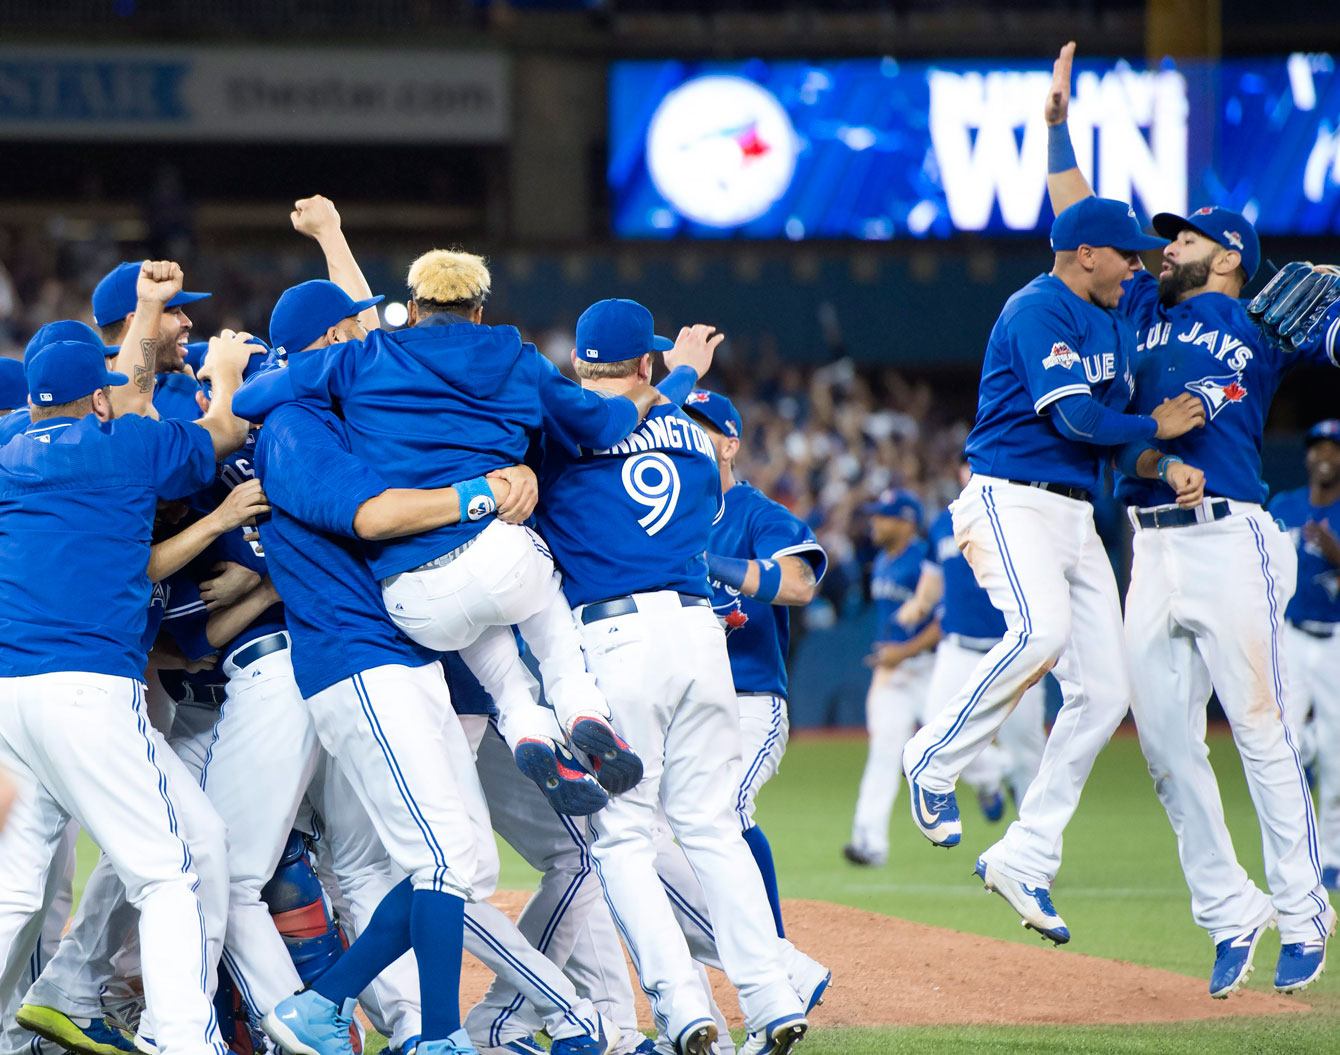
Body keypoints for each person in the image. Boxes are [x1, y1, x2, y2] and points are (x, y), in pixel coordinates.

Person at [1043, 40, 1336, 995]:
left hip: (1232, 537)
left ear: (1230, 256)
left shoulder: (1268, 322)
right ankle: (1230, 909)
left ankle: (1304, 912)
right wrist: (1056, 133)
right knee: (1166, 745)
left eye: (1185, 239)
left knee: (1258, 727)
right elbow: (1080, 226)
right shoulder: (1138, 305)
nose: (1165, 246)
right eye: (1166, 238)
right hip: (1150, 545)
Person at [897, 188, 1207, 945]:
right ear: (1086, 255)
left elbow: (1113, 439)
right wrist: (1155, 424)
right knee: (1040, 633)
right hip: (1010, 498)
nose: (1138, 266)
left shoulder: (1112, 317)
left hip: (1075, 514)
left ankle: (1026, 853)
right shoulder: (1037, 308)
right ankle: (931, 757)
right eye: (1127, 254)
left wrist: (1158, 460)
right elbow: (1073, 416)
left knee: (1104, 692)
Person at [533, 299, 809, 1055]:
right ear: (648, 363)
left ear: (579, 362)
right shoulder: (690, 429)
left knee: (623, 836)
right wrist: (680, 377)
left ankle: (682, 1008)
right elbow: (647, 413)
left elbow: (591, 432)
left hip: (616, 636)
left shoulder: (560, 428)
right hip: (698, 632)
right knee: (712, 826)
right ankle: (772, 997)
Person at [0, 333, 253, 1055]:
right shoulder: (126, 445)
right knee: (168, 873)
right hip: (86, 689)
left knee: (14, 890)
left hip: (9, 693)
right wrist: (227, 372)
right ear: (100, 399)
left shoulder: (7, 447)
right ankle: (184, 1041)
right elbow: (224, 430)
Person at [683, 389, 828, 946]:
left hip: (749, 700)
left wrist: (710, 564)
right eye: (681, 424)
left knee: (726, 810)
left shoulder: (756, 513)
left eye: (701, 428)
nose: (688, 436)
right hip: (681, 703)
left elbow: (799, 583)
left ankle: (775, 954)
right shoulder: (661, 514)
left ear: (729, 445)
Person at [902, 455, 1048, 816]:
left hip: (1014, 647)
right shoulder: (943, 522)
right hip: (958, 649)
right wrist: (918, 605)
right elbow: (932, 581)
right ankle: (992, 775)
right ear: (960, 471)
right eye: (969, 464)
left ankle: (1034, 842)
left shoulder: (1020, 516)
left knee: (1028, 752)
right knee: (936, 732)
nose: (974, 470)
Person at [843, 490, 938, 868]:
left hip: (930, 668)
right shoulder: (882, 559)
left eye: (883, 516)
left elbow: (944, 620)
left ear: (906, 521)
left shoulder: (925, 560)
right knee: (883, 752)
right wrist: (889, 657)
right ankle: (868, 842)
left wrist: (905, 651)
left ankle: (995, 777)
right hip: (892, 673)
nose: (875, 522)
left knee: (952, 746)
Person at [1270, 420, 1340, 894]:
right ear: (1307, 455)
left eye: (1334, 449)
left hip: (1335, 638)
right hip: (1291, 637)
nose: (1325, 456)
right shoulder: (1284, 506)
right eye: (1318, 447)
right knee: (1282, 742)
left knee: (1337, 753)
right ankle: (1292, 854)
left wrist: (1335, 552)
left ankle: (1332, 856)